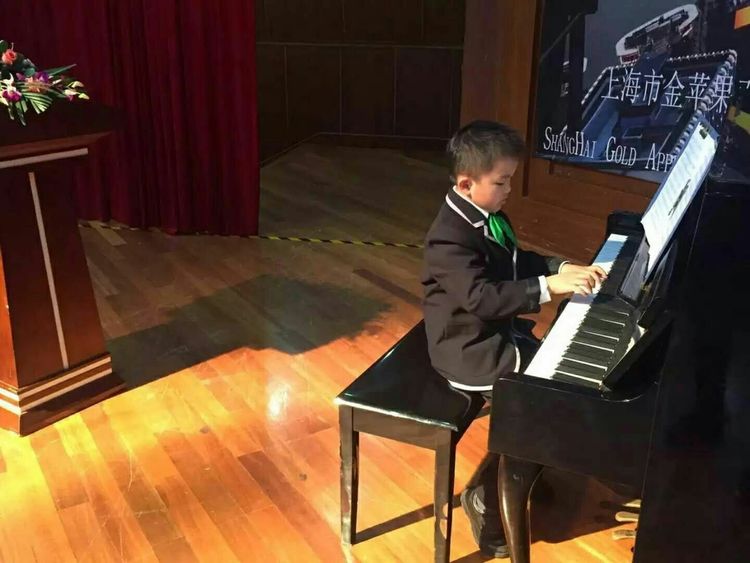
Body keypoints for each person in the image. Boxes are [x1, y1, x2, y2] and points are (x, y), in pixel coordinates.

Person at [421, 120, 606, 557]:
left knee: (557, 388)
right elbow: (482, 299)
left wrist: (560, 267)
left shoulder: (488, 215)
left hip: (494, 334)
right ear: (466, 184)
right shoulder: (448, 238)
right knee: (543, 401)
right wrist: (548, 287)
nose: (508, 190)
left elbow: (518, 260)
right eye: (501, 182)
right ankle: (487, 502)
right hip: (469, 350)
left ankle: (524, 466)